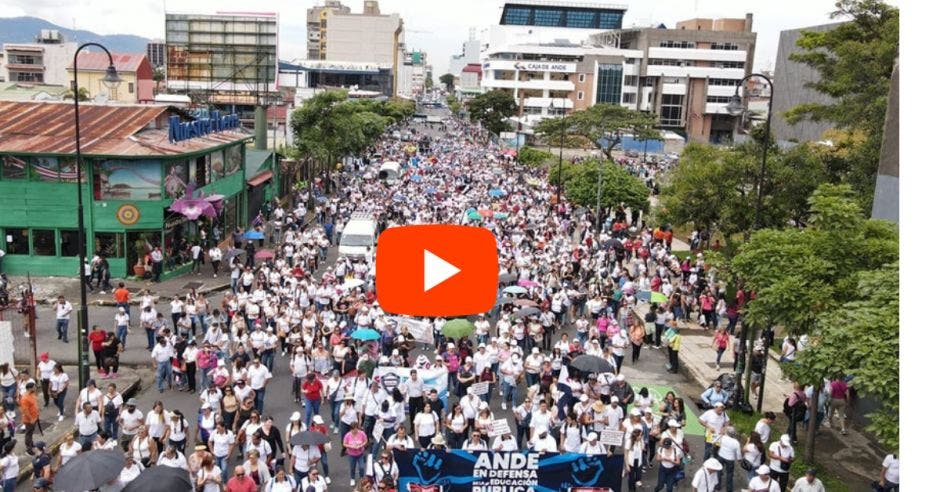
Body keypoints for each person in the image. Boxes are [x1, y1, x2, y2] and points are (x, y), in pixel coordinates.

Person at [715, 427, 742, 492]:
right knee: (729, 474)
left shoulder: (723, 437)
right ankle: (729, 489)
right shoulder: (736, 442)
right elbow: (738, 454)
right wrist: (739, 460)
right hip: (730, 459)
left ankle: (717, 486)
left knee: (718, 471)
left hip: (721, 455)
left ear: (727, 432)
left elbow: (716, 442)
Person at [343, 422, 368, 486]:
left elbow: (366, 441)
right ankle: (352, 478)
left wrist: (361, 445)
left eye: (356, 429)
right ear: (351, 429)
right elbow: (344, 444)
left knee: (362, 467)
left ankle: (361, 477)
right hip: (351, 455)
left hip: (360, 453)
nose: (355, 431)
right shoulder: (348, 435)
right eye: (353, 430)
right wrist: (351, 446)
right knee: (352, 467)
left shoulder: (362, 433)